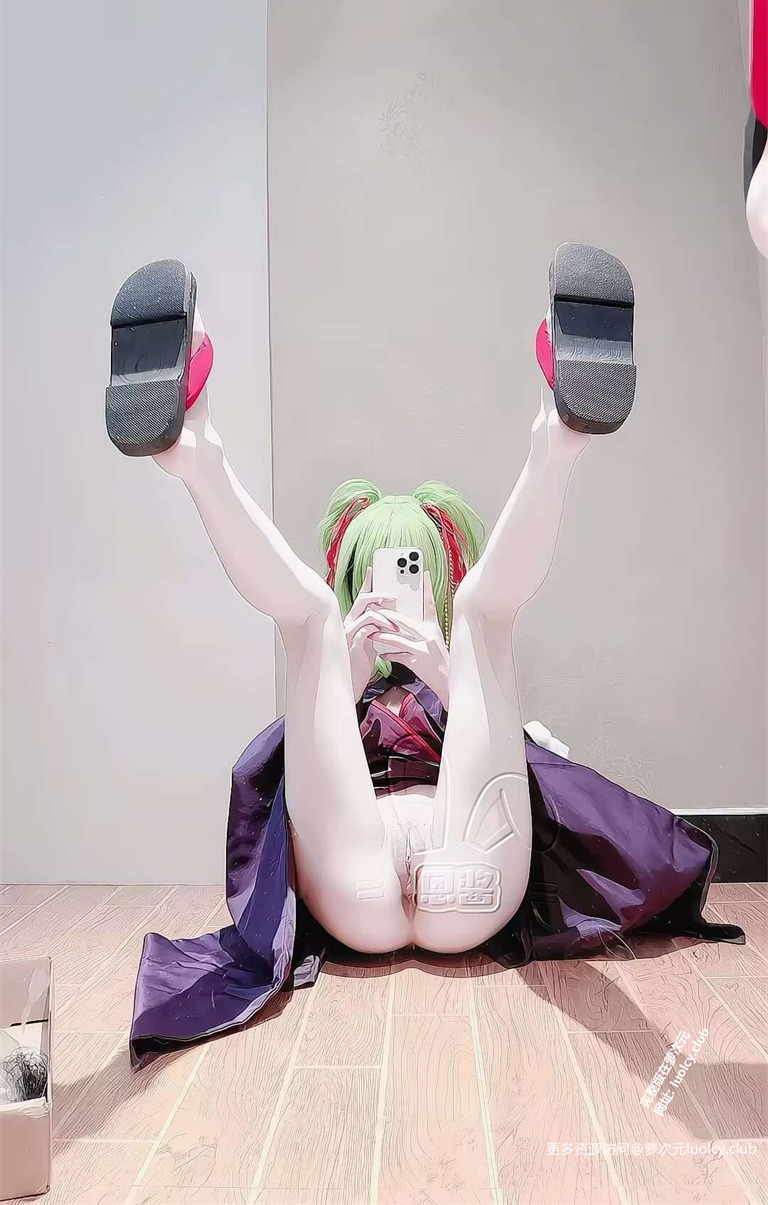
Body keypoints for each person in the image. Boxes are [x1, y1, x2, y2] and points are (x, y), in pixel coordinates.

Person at [107, 245, 740, 1069]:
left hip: (465, 866)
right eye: (372, 571)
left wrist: (448, 670)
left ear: (435, 573)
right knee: (317, 623)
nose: (391, 587)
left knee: (479, 616)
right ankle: (198, 461)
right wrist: (344, 676)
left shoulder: (461, 668)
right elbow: (307, 769)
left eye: (409, 568)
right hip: (360, 879)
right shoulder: (341, 682)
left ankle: (559, 437)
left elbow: (537, 764)